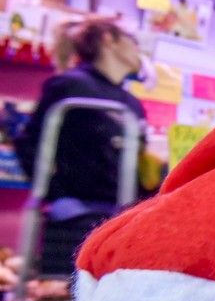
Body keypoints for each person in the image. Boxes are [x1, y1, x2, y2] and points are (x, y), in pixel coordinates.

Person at [15, 18, 153, 278]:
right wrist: (57, 197)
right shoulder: (71, 85)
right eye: (134, 42)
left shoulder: (132, 103)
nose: (139, 52)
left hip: (122, 221)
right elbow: (29, 144)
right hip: (76, 219)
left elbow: (139, 163)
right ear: (108, 39)